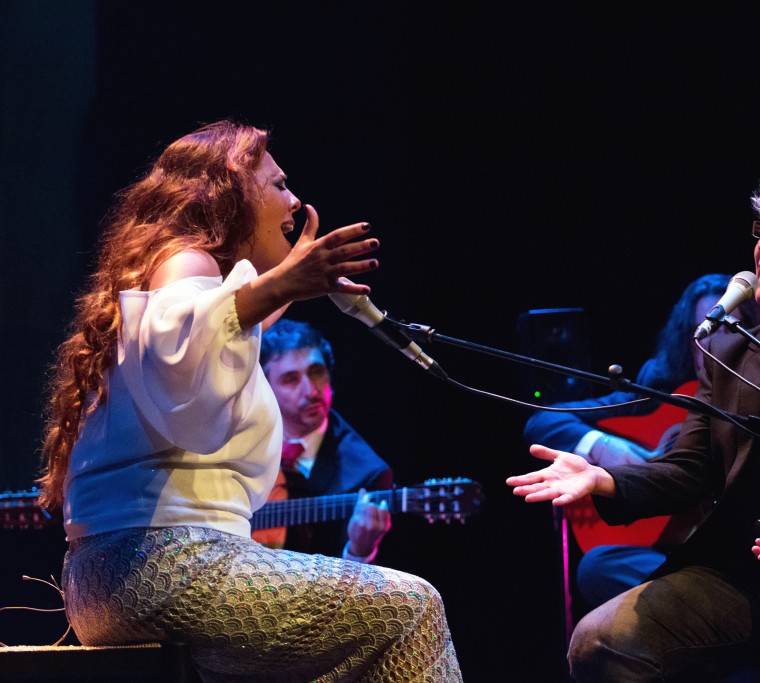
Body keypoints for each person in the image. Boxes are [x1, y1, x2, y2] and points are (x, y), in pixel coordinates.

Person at [37, 120, 462, 682]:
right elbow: (184, 343)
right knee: (411, 607)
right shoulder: (186, 262)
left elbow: (223, 324)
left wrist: (291, 282)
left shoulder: (184, 281)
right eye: (279, 184)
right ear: (228, 194)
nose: (295, 201)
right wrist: (284, 282)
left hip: (119, 576)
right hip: (166, 566)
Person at [507, 166, 760, 682]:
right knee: (599, 640)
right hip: (739, 576)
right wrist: (605, 478)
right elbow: (689, 469)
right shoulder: (731, 357)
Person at [522, 274, 760, 609]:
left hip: (739, 554)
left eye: (728, 328)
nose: (715, 343)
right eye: (705, 329)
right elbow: (544, 420)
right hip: (671, 555)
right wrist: (608, 449)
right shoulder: (660, 396)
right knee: (597, 567)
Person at [257, 318, 393, 563]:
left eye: (316, 372)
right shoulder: (235, 435)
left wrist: (359, 550)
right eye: (291, 379)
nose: (311, 391)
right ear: (265, 387)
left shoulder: (365, 474)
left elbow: (349, 580)